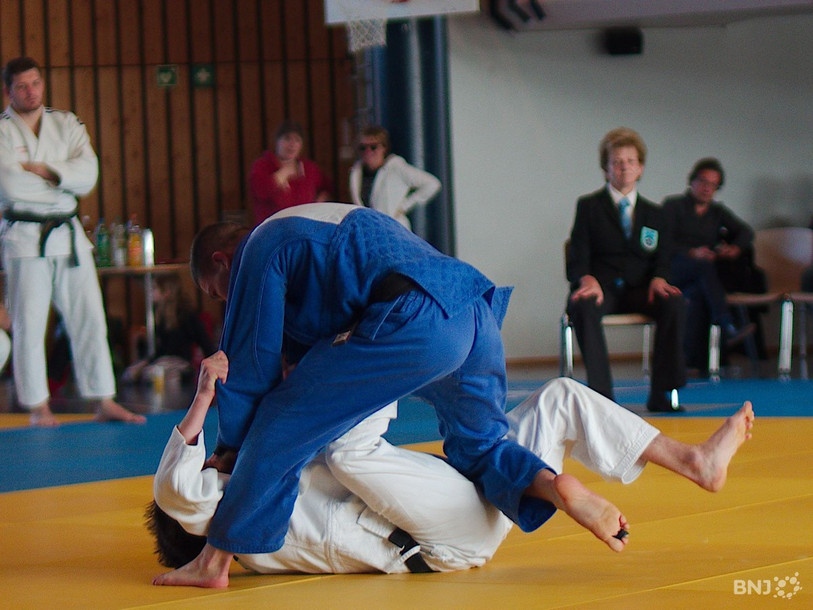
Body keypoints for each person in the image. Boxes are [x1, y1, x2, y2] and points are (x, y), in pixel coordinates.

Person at [163, 202, 597, 587]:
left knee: (279, 421)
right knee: (480, 444)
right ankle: (549, 484)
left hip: (415, 318)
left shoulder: (260, 247)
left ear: (222, 261)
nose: (224, 299)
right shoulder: (308, 229)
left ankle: (215, 560)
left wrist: (231, 449)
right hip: (472, 311)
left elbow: (252, 365)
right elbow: (306, 360)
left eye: (214, 290)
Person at [150, 352, 754, 583]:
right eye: (218, 466)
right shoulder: (230, 526)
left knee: (560, 397)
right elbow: (178, 490)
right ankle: (398, 344)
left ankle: (694, 462)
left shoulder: (272, 486)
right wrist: (203, 396)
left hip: (465, 496)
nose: (227, 461)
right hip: (440, 539)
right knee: (348, 448)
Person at [0, 57, 145, 426]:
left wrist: (47, 172)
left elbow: (89, 174)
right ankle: (38, 406)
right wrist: (62, 182)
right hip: (25, 237)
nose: (31, 91)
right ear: (8, 91)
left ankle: (103, 399)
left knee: (90, 318)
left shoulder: (67, 123)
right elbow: (10, 185)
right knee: (29, 323)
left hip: (68, 235)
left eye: (36, 83)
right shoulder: (2, 131)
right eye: (22, 86)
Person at [566, 127, 687, 412]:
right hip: (601, 288)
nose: (624, 168)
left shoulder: (656, 214)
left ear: (640, 168)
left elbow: (663, 256)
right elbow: (578, 253)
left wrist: (659, 278)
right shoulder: (589, 207)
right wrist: (586, 278)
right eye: (617, 162)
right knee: (582, 305)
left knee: (675, 302)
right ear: (606, 169)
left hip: (640, 290)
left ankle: (663, 393)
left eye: (630, 161)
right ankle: (603, 400)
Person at [662, 158, 758, 373]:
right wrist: (691, 252)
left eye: (713, 184)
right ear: (692, 181)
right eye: (703, 181)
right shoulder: (673, 206)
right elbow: (664, 242)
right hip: (676, 268)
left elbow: (746, 232)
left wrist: (734, 248)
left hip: (700, 278)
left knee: (696, 294)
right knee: (704, 267)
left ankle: (694, 361)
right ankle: (726, 322)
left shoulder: (717, 212)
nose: (707, 188)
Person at [122, 273, 216, 386]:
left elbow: (204, 342)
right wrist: (143, 363)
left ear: (166, 292)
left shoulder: (186, 315)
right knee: (130, 374)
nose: (151, 293)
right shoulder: (159, 316)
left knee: (153, 376)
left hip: (180, 362)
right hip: (162, 361)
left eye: (154, 288)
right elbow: (159, 350)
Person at [349, 126, 441, 231]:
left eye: (373, 147)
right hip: (368, 230)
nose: (368, 152)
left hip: (393, 229)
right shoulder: (356, 172)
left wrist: (404, 206)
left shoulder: (396, 168)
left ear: (384, 148)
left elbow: (432, 183)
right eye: (363, 148)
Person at [248, 120, 332, 225]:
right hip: (272, 230)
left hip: (304, 229)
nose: (292, 144)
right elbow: (261, 192)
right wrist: (282, 174)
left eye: (297, 140)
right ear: (277, 141)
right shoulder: (262, 165)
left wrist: (319, 203)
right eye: (287, 138)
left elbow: (328, 187)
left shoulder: (309, 168)